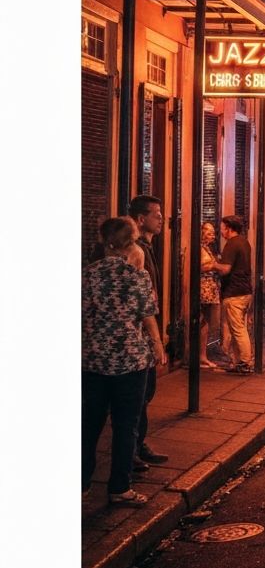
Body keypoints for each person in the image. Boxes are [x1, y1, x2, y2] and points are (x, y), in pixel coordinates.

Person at [82, 217, 167, 507]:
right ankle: (119, 486)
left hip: (93, 359)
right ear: (129, 243)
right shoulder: (137, 276)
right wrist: (158, 345)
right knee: (125, 424)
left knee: (89, 424)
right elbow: (147, 314)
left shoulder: (88, 275)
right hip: (130, 360)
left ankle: (81, 484)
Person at [127, 194, 168, 467]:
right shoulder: (135, 251)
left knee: (145, 393)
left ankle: (138, 445)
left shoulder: (149, 248)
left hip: (146, 333)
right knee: (138, 395)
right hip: (139, 336)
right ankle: (131, 450)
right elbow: (140, 300)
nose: (162, 219)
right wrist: (154, 338)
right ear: (142, 219)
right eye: (157, 214)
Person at [211, 215, 254, 372]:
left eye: (222, 228)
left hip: (234, 292)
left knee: (237, 329)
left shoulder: (232, 244)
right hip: (245, 290)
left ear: (229, 228)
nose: (220, 231)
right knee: (240, 327)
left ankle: (244, 362)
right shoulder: (244, 242)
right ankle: (238, 362)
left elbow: (226, 269)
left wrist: (212, 264)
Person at [197, 221, 221, 367]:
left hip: (209, 288)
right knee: (202, 322)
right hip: (203, 288)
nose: (213, 236)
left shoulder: (207, 248)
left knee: (205, 322)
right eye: (210, 232)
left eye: (213, 232)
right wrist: (214, 265)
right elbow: (199, 266)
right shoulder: (199, 248)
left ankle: (202, 355)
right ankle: (201, 355)